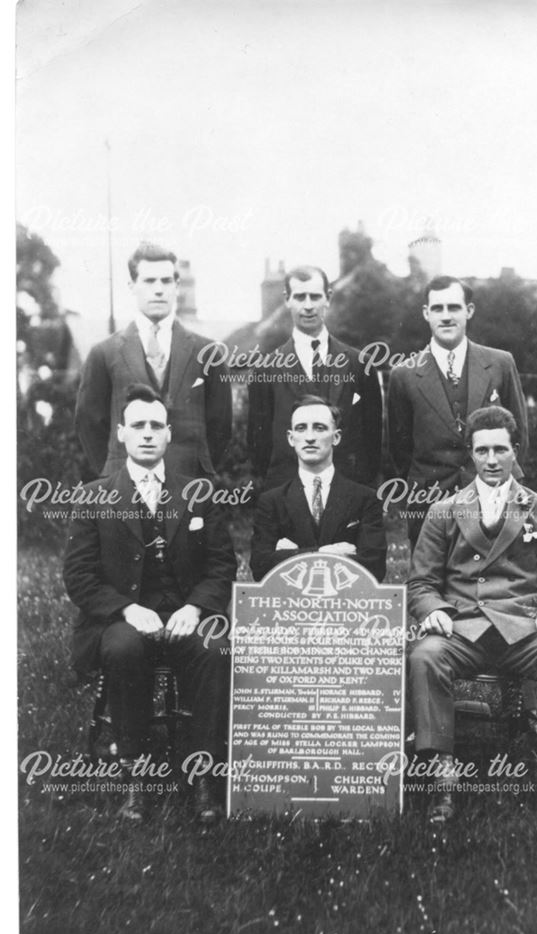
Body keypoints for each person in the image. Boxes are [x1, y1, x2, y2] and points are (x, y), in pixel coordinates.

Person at [64, 383, 237, 824]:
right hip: (119, 619)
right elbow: (79, 575)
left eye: (155, 425)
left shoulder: (197, 492)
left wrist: (196, 608)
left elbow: (221, 566)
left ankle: (203, 776)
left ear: (168, 434)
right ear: (120, 434)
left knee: (214, 648)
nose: (146, 433)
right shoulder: (93, 496)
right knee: (124, 648)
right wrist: (125, 609)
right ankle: (138, 777)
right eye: (137, 425)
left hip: (184, 614)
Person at [406, 406, 537, 824]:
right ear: (470, 453)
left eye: (500, 449)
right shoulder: (445, 510)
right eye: (481, 450)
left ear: (514, 450)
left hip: (523, 630)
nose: (491, 460)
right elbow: (421, 583)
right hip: (462, 629)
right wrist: (434, 611)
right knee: (424, 658)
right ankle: (443, 779)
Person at [387, 275, 528, 551]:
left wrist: (500, 483)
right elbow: (400, 449)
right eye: (438, 308)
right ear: (426, 314)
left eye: (454, 307)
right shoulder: (403, 374)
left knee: (497, 583)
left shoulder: (500, 363)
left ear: (469, 311)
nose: (446, 316)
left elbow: (519, 435)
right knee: (429, 586)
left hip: (494, 495)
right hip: (429, 500)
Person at [75, 242, 232, 477]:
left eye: (166, 281)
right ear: (132, 285)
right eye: (149, 281)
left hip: (189, 487)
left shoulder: (208, 353)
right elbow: (89, 423)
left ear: (177, 286)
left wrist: (200, 468)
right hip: (124, 489)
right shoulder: (103, 353)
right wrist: (113, 475)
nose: (159, 290)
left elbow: (220, 424)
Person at [247, 265, 383, 490]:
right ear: (287, 300)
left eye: (315, 296)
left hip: (348, 492)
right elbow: (259, 445)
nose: (308, 306)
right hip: (288, 494)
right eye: (300, 297)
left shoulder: (359, 364)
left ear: (328, 298)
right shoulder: (266, 369)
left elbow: (372, 439)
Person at [250, 395, 386, 582]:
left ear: (336, 437)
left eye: (320, 428)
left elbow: (374, 566)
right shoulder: (272, 501)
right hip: (288, 604)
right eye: (301, 428)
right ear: (291, 438)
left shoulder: (365, 499)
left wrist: (292, 554)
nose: (310, 437)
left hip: (348, 605)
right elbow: (260, 566)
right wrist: (326, 553)